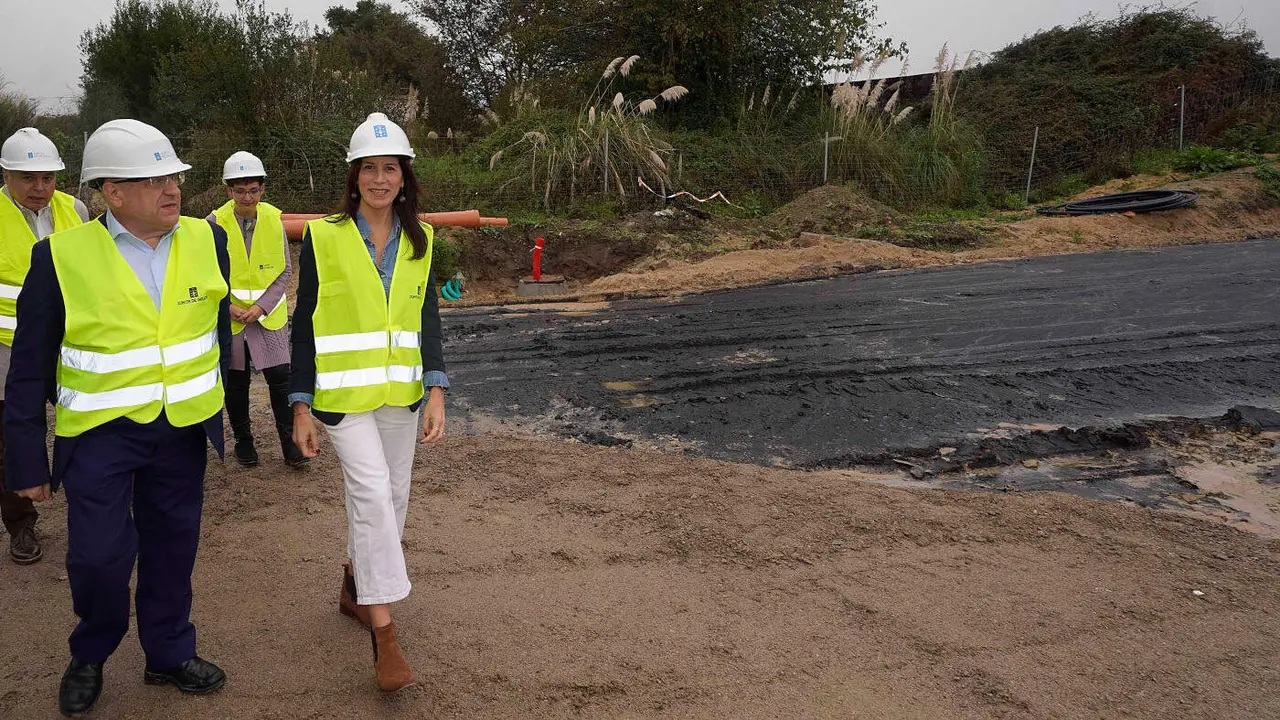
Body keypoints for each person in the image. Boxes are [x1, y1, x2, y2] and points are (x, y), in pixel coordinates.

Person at [4, 119, 231, 716]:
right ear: (112, 192)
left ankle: (168, 653)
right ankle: (90, 652)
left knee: (172, 549)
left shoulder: (206, 239)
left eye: (174, 176)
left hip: (181, 429)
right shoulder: (59, 258)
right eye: (150, 179)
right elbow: (27, 370)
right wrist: (25, 460)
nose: (171, 189)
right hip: (100, 436)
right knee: (99, 558)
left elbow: (214, 326)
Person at [289, 112, 447, 693]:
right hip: (341, 397)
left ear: (404, 177)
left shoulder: (421, 239)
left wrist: (436, 389)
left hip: (401, 395)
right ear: (353, 177)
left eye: (390, 168)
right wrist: (299, 403)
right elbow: (303, 321)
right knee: (374, 495)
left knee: (394, 497)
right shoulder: (324, 236)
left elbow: (426, 316)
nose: (379, 179)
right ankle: (385, 634)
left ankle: (355, 585)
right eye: (369, 169)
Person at [0, 127, 89, 565]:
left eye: (48, 178)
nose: (40, 188)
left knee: (89, 423)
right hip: (8, 348)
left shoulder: (75, 210)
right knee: (13, 437)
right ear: (6, 175)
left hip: (73, 343)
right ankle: (21, 523)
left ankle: (93, 508)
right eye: (28, 178)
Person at [207, 151, 306, 467]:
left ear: (262, 189)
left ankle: (290, 445)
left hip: (268, 317)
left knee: (280, 378)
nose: (246, 197)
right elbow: (203, 273)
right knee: (236, 383)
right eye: (239, 191)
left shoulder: (274, 221)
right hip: (232, 317)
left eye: (253, 190)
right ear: (228, 191)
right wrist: (230, 307)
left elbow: (285, 271)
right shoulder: (214, 224)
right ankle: (244, 443)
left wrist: (261, 307)